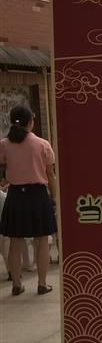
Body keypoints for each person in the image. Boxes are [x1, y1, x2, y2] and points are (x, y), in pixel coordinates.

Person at [0, 106, 57, 296]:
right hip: (38, 196)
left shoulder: (4, 144)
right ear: (31, 122)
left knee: (15, 241)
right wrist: (55, 198)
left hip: (15, 196)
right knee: (42, 241)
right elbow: (50, 175)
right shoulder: (42, 144)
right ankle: (42, 284)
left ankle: (16, 284)